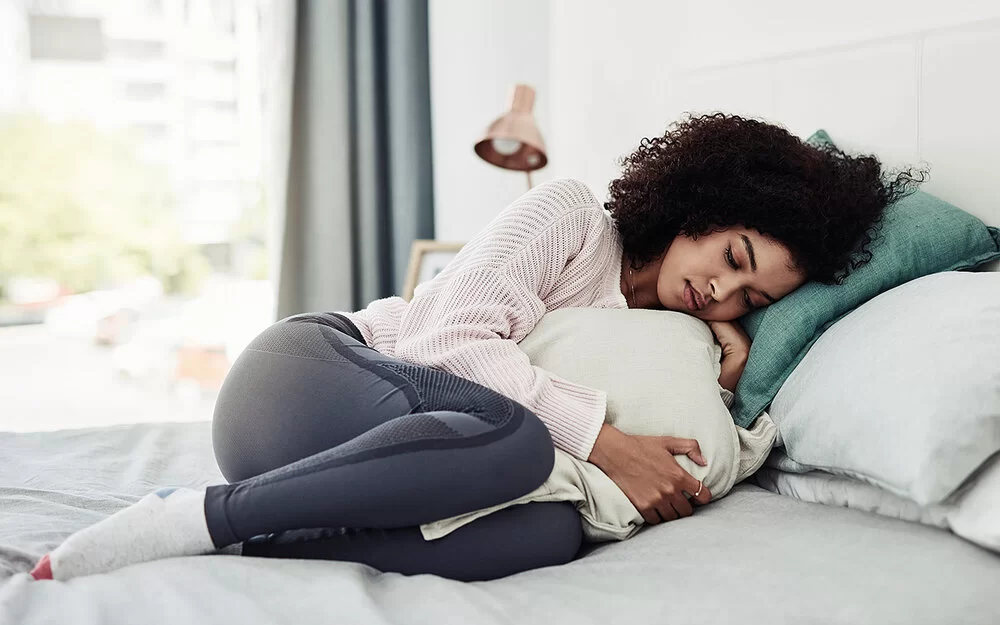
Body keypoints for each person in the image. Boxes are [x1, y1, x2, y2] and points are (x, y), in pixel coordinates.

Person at [29, 113, 924, 583]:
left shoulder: (685, 334)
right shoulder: (572, 216)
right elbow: (444, 339)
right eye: (732, 258)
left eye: (750, 297)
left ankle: (251, 545)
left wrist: (720, 365)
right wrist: (604, 439)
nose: (722, 291)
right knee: (519, 439)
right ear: (701, 202)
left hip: (376, 463)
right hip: (310, 380)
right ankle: (199, 513)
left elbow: (680, 439)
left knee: (547, 531)